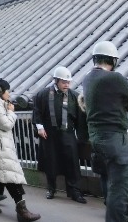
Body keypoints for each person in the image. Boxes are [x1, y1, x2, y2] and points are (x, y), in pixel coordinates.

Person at [83, 41, 128, 222]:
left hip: (98, 139)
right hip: (115, 140)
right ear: (113, 60)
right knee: (119, 191)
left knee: (126, 185)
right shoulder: (114, 78)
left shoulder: (87, 78)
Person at [0, 78, 41, 221]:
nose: (9, 93)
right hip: (0, 147)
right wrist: (11, 112)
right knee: (11, 177)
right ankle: (22, 210)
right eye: (7, 90)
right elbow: (6, 125)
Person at [33, 66, 86, 203]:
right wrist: (39, 127)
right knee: (51, 162)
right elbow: (37, 112)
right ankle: (51, 188)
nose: (67, 85)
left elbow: (80, 118)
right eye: (64, 82)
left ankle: (74, 191)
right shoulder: (43, 94)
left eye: (68, 82)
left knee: (72, 163)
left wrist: (82, 136)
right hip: (49, 135)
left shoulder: (74, 96)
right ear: (56, 81)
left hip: (68, 134)